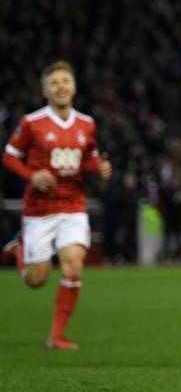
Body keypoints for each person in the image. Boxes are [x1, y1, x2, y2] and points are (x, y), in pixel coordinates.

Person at [2, 60, 113, 350]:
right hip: (39, 210)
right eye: (54, 83)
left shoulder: (87, 124)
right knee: (36, 280)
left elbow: (89, 158)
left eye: (66, 81)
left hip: (73, 206)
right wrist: (30, 175)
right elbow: (9, 156)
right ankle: (20, 250)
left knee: (73, 265)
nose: (61, 87)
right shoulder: (31, 123)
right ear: (45, 91)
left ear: (74, 87)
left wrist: (97, 167)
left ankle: (57, 335)